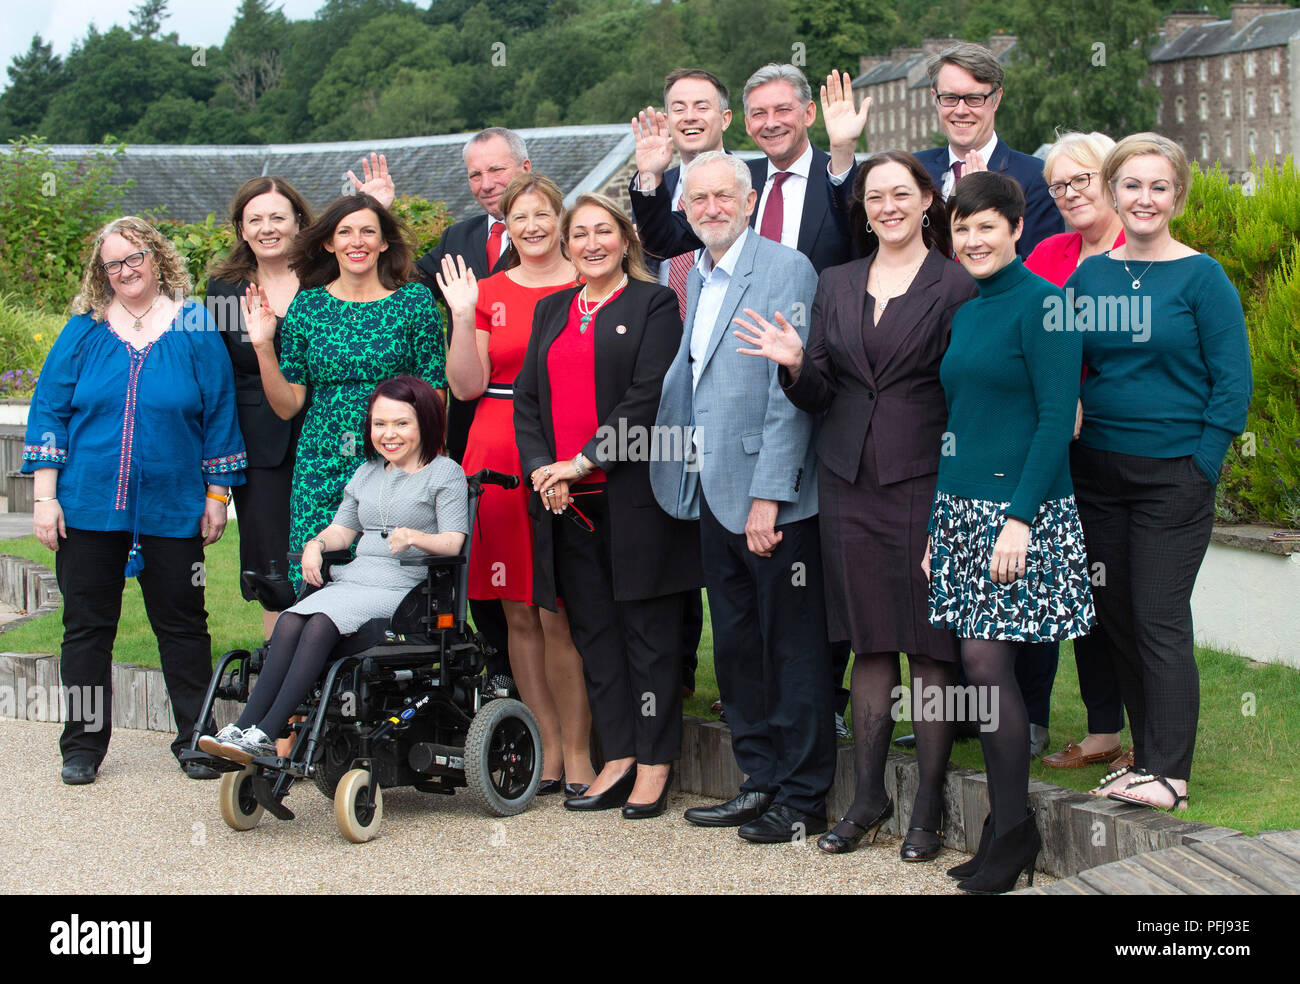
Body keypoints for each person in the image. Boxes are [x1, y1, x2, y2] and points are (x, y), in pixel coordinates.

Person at [735, 150, 976, 861]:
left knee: (931, 650)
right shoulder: (837, 284)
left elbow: (969, 396)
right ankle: (868, 799)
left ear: (928, 200)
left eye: (902, 193)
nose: (889, 206)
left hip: (927, 480)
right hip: (849, 482)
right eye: (876, 197)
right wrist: (794, 365)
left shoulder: (958, 286)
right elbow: (822, 394)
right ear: (863, 209)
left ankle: (927, 808)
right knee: (869, 644)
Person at [23, 216, 247, 784]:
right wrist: (45, 498)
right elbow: (49, 409)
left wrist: (217, 495)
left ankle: (195, 738)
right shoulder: (83, 329)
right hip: (89, 503)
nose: (125, 271)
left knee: (183, 625)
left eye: (134, 258)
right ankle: (81, 747)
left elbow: (220, 411)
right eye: (113, 263)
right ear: (103, 272)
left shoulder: (197, 325)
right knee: (87, 626)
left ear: (156, 257)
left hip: (174, 506)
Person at [651, 152, 833, 843]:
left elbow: (790, 396)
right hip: (711, 496)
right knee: (736, 651)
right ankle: (759, 781)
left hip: (769, 504)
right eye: (698, 198)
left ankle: (804, 798)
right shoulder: (696, 273)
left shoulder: (784, 269)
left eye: (724, 195)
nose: (711, 207)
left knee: (793, 653)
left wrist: (769, 498)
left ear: (749, 201)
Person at [1071, 134, 1251, 813]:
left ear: (1176, 196)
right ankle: (1144, 760)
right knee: (1116, 616)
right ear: (1113, 192)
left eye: (1158, 187)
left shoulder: (1203, 278)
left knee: (1159, 617)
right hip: (1097, 476)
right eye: (1132, 186)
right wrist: (1073, 401)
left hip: (1173, 477)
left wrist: (1201, 465)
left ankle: (1171, 774)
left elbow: (1233, 385)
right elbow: (1063, 358)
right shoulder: (1090, 276)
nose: (1144, 199)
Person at [926, 171, 1093, 893]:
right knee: (979, 668)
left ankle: (1013, 827)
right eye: (962, 228)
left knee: (989, 667)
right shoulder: (967, 311)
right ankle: (1004, 827)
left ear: (1017, 229)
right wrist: (939, 522)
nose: (972, 239)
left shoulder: (1047, 306)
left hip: (1021, 514)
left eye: (986, 226)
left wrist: (1019, 518)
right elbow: (958, 423)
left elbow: (1059, 419)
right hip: (961, 512)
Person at [514, 193, 701, 819]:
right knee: (594, 635)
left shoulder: (654, 305)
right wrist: (545, 469)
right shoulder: (551, 310)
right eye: (580, 234)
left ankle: (654, 762)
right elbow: (527, 402)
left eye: (603, 232)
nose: (591, 243)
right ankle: (617, 753)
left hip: (634, 499)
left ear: (625, 240)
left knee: (647, 636)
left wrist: (584, 461)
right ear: (566, 246)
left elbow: (649, 397)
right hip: (563, 503)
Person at [199, 376, 468, 762]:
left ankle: (266, 731)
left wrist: (415, 537)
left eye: (401, 424)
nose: (388, 434)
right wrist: (317, 544)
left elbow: (454, 542)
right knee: (291, 620)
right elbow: (344, 529)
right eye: (380, 424)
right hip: (356, 579)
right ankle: (246, 726)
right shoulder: (368, 472)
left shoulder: (445, 473)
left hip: (408, 589)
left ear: (424, 421)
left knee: (322, 621)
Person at [435, 173, 595, 796]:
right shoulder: (489, 292)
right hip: (494, 449)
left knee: (559, 612)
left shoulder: (588, 283)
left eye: (542, 215)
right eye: (519, 217)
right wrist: (464, 314)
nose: (531, 227)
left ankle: (581, 752)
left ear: (561, 220)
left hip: (564, 449)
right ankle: (546, 748)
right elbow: (467, 387)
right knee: (517, 611)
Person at [206, 160, 397, 643]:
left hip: (338, 437)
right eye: (255, 219)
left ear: (300, 223)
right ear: (241, 230)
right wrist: (215, 476)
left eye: (278, 217)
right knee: (275, 564)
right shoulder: (225, 290)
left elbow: (381, 273)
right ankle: (282, 679)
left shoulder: (323, 274)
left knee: (345, 549)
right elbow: (219, 377)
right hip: (263, 446)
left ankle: (346, 671)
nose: (267, 228)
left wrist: (374, 207)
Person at [241, 193, 446, 593]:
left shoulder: (414, 302)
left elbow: (434, 396)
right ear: (327, 243)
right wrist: (264, 346)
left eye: (368, 231)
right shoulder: (308, 308)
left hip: (395, 462)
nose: (357, 241)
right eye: (345, 232)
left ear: (384, 242)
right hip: (322, 465)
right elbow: (288, 406)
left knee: (391, 580)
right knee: (318, 579)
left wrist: (420, 462)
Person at [1024, 131, 1130, 772]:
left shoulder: (1140, 250)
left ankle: (1152, 730)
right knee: (1084, 591)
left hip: (1127, 446)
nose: (1068, 195)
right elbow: (1025, 331)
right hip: (1060, 451)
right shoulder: (1048, 252)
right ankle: (1102, 729)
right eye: (1058, 186)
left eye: (1081, 180)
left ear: (1111, 179)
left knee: (1133, 594)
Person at [414, 127, 532, 687]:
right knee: (480, 542)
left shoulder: (550, 236)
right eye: (476, 175)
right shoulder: (457, 238)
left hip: (539, 417)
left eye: (498, 170)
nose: (486, 184)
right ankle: (498, 668)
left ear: (526, 166)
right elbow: (403, 285)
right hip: (471, 420)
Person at [628, 66, 732, 701]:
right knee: (674, 519)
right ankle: (682, 670)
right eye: (677, 105)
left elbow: (689, 237)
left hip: (737, 374)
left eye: (702, 105)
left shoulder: (746, 186)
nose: (689, 115)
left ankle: (744, 677)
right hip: (671, 384)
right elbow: (662, 243)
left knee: (731, 529)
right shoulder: (659, 187)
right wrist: (648, 179)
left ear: (726, 117)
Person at [633, 62, 855, 276]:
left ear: (808, 113)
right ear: (748, 124)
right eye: (759, 114)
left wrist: (842, 150)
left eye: (783, 110)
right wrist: (650, 175)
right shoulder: (737, 179)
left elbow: (863, 236)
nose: (771, 123)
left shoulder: (838, 179)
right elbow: (662, 241)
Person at [910, 42, 1063, 257]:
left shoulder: (1035, 177)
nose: (960, 110)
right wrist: (844, 151)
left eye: (974, 99)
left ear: (996, 99)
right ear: (935, 98)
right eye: (950, 98)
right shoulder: (914, 171)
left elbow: (1038, 271)